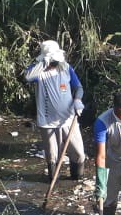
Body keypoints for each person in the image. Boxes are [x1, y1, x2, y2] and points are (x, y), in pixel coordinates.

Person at [22, 39, 85, 181]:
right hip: (47, 121)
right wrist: (44, 62)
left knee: (79, 153)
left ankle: (76, 179)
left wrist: (77, 100)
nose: (55, 63)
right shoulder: (37, 72)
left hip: (68, 119)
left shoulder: (65, 68)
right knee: (52, 156)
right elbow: (27, 77)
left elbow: (78, 87)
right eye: (52, 60)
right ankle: (53, 181)